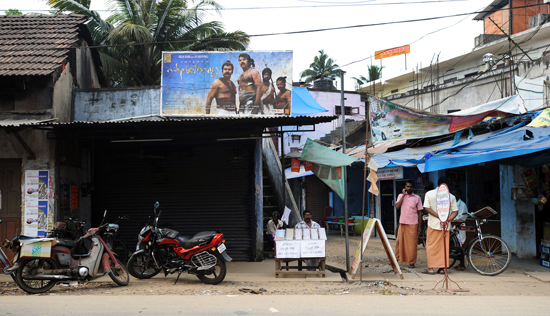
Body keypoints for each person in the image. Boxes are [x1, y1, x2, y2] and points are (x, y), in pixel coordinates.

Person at [422, 177, 459, 275]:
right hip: (445, 226)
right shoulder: (451, 196)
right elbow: (455, 211)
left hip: (433, 224)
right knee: (444, 247)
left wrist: (438, 216)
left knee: (431, 246)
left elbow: (426, 207)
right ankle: (442, 269)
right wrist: (447, 219)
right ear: (447, 185)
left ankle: (431, 268)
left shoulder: (429, 194)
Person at [394, 180, 423, 269]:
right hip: (402, 222)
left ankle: (411, 262)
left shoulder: (417, 198)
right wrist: (403, 195)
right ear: (405, 187)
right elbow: (397, 206)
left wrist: (420, 226)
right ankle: (396, 259)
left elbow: (419, 212)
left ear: (413, 187)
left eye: (410, 187)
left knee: (412, 243)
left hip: (413, 223)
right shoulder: (400, 196)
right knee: (399, 241)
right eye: (407, 186)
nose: (409, 188)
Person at [451, 188, 468, 271]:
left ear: (459, 195)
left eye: (455, 195)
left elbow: (461, 218)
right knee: (456, 245)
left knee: (460, 245)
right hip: (452, 226)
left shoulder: (462, 205)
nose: (453, 196)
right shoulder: (451, 203)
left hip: (459, 226)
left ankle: (462, 264)